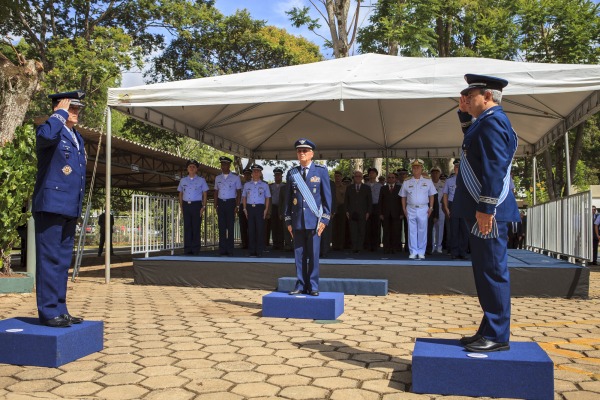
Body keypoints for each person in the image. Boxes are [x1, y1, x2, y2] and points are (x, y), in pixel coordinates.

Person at [454, 74, 520, 352]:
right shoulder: (486, 122)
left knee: (492, 271)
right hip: (485, 209)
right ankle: (489, 328)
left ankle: (497, 334)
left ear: (488, 96)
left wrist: (486, 207)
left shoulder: (493, 122)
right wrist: (463, 112)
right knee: (484, 271)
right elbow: (474, 146)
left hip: (488, 211)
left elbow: (494, 166)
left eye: (472, 96)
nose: (467, 99)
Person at [32, 91, 87, 327]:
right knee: (49, 259)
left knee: (63, 260)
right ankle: (48, 311)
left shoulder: (76, 136)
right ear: (58, 108)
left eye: (76, 109)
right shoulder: (50, 128)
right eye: (70, 108)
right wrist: (58, 115)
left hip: (69, 206)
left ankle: (60, 308)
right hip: (51, 205)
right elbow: (44, 137)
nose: (75, 112)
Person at [285, 138, 332, 296]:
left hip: (314, 221)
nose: (302, 153)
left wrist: (324, 219)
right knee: (299, 255)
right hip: (297, 221)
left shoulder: (321, 171)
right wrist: (288, 221)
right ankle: (300, 284)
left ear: (312, 153)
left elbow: (327, 198)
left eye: (305, 151)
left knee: (313, 255)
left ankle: (313, 286)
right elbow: (287, 200)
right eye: (299, 151)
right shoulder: (292, 173)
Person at [399, 159, 436, 260]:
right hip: (410, 208)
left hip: (423, 208)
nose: (416, 169)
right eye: (414, 167)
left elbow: (432, 195)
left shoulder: (428, 181)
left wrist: (431, 207)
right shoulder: (407, 181)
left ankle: (421, 251)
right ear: (412, 169)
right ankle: (413, 251)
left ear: (421, 168)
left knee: (422, 230)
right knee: (412, 230)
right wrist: (403, 209)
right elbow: (403, 196)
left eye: (418, 167)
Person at [178, 159, 209, 255]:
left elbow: (205, 193)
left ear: (196, 169)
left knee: (196, 227)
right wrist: (181, 206)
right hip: (186, 205)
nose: (191, 168)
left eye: (193, 167)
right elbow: (180, 193)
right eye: (190, 166)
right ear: (187, 169)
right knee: (187, 227)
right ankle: (187, 249)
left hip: (196, 205)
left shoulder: (201, 180)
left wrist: (203, 206)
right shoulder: (183, 180)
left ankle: (195, 249)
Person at [214, 156, 242, 256]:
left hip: (231, 203)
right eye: (222, 164)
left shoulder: (235, 177)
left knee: (230, 227)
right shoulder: (218, 178)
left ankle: (230, 250)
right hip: (221, 203)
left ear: (229, 165)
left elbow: (239, 192)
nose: (223, 166)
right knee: (221, 227)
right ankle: (222, 249)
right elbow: (216, 192)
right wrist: (215, 205)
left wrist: (237, 206)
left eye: (225, 164)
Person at [242, 164, 271, 257]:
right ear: (251, 173)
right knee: (251, 230)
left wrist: (266, 209)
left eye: (258, 171)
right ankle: (251, 251)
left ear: (260, 173)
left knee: (260, 230)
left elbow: (267, 198)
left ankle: (259, 251)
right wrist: (245, 208)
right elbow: (244, 197)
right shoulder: (247, 185)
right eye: (254, 171)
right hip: (250, 208)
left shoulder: (264, 185)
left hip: (260, 208)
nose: (255, 173)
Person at [443, 159, 469, 260]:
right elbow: (445, 194)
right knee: (454, 230)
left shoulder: (467, 180)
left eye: (459, 167)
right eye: (456, 167)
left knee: (464, 230)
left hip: (464, 206)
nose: (457, 169)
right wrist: (446, 207)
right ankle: (454, 252)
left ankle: (462, 252)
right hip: (453, 204)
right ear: (454, 168)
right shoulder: (449, 180)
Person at [345, 170, 372, 254]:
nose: (357, 178)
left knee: (361, 230)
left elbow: (369, 201)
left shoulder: (366, 188)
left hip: (363, 212)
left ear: (362, 178)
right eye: (356, 176)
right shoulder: (349, 187)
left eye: (359, 176)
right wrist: (346, 211)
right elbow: (346, 200)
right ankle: (354, 247)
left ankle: (360, 247)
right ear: (354, 178)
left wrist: (368, 212)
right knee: (353, 231)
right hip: (352, 212)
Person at [379, 172, 402, 254]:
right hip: (385, 214)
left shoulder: (400, 188)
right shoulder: (383, 188)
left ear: (395, 179)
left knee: (396, 232)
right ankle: (386, 248)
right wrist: (380, 213)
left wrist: (402, 213)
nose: (391, 179)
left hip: (397, 214)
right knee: (386, 232)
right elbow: (380, 201)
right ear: (387, 179)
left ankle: (395, 248)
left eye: (392, 177)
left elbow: (402, 201)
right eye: (389, 177)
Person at [365, 167, 383, 251]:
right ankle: (368, 244)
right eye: (370, 173)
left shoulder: (380, 186)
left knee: (376, 226)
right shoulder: (365, 185)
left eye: (373, 173)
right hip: (367, 207)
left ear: (376, 175)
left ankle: (376, 244)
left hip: (377, 207)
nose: (371, 174)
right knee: (367, 226)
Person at [267, 168, 285, 250]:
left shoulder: (284, 186)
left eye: (279, 175)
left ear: (281, 176)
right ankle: (275, 243)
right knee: (274, 226)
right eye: (276, 175)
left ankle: (281, 243)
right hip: (273, 207)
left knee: (281, 226)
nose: (277, 177)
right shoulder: (270, 186)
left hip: (281, 208)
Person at [429, 167, 445, 254]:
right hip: (431, 208)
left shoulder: (443, 184)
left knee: (440, 228)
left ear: (439, 174)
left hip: (441, 208)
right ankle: (432, 245)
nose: (435, 174)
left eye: (437, 173)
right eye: (433, 173)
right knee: (431, 228)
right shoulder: (428, 183)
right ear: (431, 174)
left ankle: (439, 246)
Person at [331, 171, 348, 251]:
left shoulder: (344, 187)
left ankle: (341, 244)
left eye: (338, 176)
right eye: (336, 176)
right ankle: (334, 244)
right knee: (333, 226)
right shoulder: (331, 186)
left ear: (341, 177)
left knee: (341, 227)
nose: (337, 178)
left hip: (342, 207)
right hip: (333, 207)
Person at [396, 168, 409, 252]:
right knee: (397, 229)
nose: (402, 176)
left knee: (408, 229)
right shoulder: (396, 185)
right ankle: (398, 246)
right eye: (400, 174)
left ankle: (408, 246)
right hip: (397, 210)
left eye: (404, 174)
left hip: (408, 209)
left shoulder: (409, 184)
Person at [238, 167, 252, 249]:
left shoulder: (252, 184)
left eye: (248, 174)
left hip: (249, 206)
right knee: (242, 225)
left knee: (250, 225)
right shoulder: (240, 185)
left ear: (251, 175)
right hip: (241, 206)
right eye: (245, 174)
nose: (246, 176)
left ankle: (251, 243)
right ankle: (244, 243)